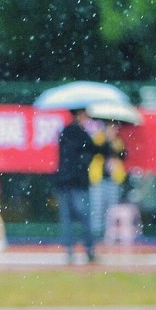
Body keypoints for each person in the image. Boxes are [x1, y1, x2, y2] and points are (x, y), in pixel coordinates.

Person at [53, 112, 97, 264]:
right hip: (77, 182)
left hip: (65, 182)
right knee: (84, 218)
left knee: (68, 219)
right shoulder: (82, 134)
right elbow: (94, 150)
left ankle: (71, 251)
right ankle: (89, 250)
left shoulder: (65, 132)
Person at [85, 114, 127, 243]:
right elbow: (95, 150)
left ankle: (109, 235)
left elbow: (123, 155)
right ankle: (96, 235)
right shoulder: (98, 139)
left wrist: (113, 142)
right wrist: (106, 140)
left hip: (113, 180)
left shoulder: (118, 142)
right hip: (98, 179)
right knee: (97, 208)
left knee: (112, 209)